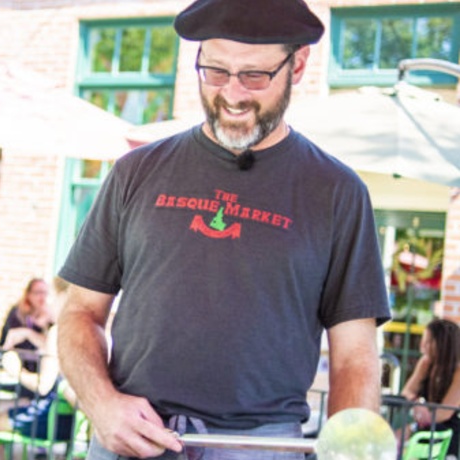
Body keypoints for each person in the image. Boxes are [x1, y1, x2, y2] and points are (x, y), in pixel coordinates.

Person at [56, 1, 391, 459]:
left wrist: (350, 451)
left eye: (254, 76)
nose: (232, 94)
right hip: (131, 441)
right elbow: (80, 314)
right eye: (214, 72)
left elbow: (354, 357)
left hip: (257, 447)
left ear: (298, 63)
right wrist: (102, 404)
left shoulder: (337, 192)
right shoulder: (135, 173)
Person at [0, 276, 74, 459]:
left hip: (50, 418)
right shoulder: (78, 329)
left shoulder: (57, 331)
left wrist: (16, 370)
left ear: (63, 297)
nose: (47, 301)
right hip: (68, 419)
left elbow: (43, 386)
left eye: (50, 296)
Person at [401, 318, 460, 458]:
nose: (423, 346)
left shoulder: (458, 372)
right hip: (428, 429)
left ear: (443, 344)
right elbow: (407, 391)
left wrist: (414, 425)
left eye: (428, 341)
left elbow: (445, 413)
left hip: (450, 434)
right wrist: (416, 403)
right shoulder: (426, 363)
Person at [0, 278, 52, 374]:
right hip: (15, 363)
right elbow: (12, 338)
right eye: (38, 292)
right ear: (29, 294)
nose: (42, 297)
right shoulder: (17, 313)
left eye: (45, 293)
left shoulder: (48, 316)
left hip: (36, 368)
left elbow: (50, 344)